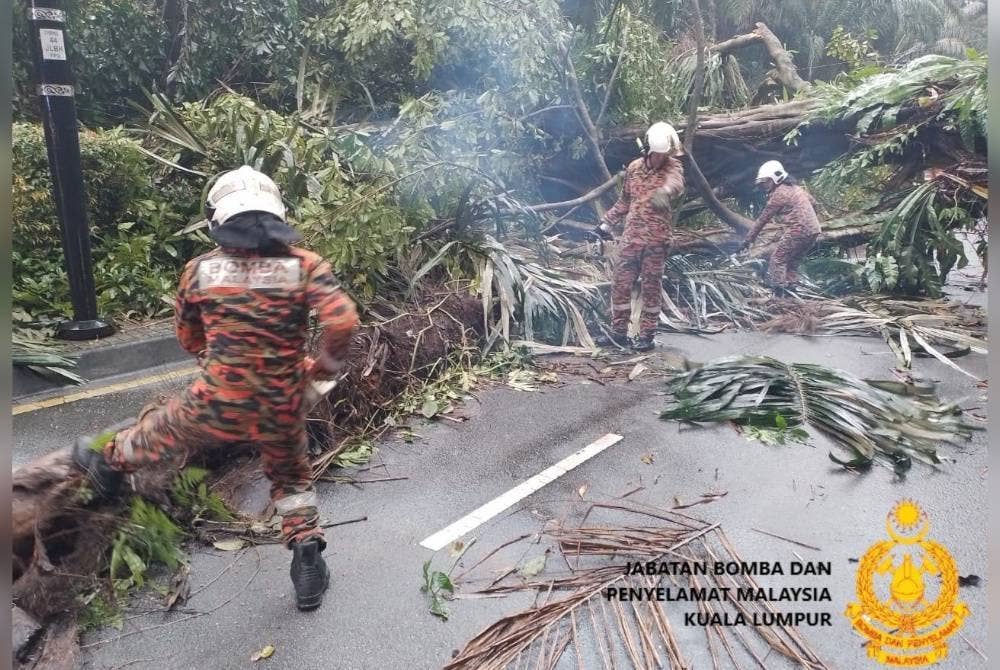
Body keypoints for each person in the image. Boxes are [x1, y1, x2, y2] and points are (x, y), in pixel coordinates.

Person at [72, 166, 359, 611]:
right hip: (281, 403)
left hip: (218, 398)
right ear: (277, 214)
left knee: (162, 432)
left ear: (217, 220)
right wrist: (322, 368)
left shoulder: (200, 270)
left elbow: (188, 336)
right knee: (291, 479)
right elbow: (342, 321)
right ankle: (306, 555)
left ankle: (107, 466)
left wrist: (216, 360)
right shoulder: (305, 265)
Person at [593, 122, 685, 352]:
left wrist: (665, 191)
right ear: (648, 150)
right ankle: (619, 332)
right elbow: (625, 201)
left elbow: (676, 183)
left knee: (651, 287)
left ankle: (647, 335)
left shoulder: (673, 166)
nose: (661, 158)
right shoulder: (634, 168)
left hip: (656, 242)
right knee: (620, 284)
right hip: (631, 239)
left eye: (665, 154)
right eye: (658, 154)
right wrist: (605, 223)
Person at [740, 160, 821, 290]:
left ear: (776, 178)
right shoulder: (796, 188)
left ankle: (779, 294)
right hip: (814, 230)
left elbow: (762, 220)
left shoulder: (778, 194)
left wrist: (747, 241)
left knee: (777, 259)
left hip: (797, 230)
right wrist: (811, 221)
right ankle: (792, 290)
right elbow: (814, 203)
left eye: (766, 181)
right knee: (792, 261)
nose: (764, 185)